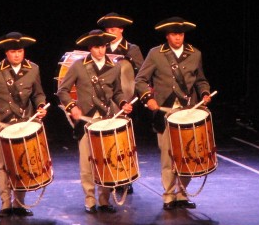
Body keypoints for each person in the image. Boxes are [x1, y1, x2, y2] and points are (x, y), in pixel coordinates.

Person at [134, 16, 213, 210]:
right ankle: (168, 196)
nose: (178, 38)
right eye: (174, 34)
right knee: (168, 156)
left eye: (181, 34)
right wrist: (147, 98)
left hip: (187, 112)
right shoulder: (155, 54)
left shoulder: (195, 53)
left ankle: (182, 194)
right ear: (167, 36)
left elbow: (201, 80)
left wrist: (205, 93)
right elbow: (140, 80)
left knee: (187, 155)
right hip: (165, 113)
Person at [56, 29, 133, 214]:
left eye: (103, 47)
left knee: (106, 162)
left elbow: (117, 92)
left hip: (107, 120)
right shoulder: (78, 66)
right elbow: (63, 91)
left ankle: (104, 200)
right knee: (87, 163)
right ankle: (90, 200)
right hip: (87, 121)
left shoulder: (114, 66)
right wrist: (71, 107)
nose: (100, 50)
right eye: (97, 47)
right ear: (90, 48)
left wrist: (123, 103)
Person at [0, 32, 48, 218]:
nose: (17, 55)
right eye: (13, 52)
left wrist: (41, 106)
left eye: (20, 51)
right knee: (3, 165)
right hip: (3, 124)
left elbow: (38, 94)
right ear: (6, 53)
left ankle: (19, 204)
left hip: (25, 122)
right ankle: (6, 203)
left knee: (22, 163)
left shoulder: (33, 68)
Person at [96, 12, 144, 196]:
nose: (110, 32)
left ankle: (126, 178)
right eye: (108, 30)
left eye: (113, 29)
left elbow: (141, 74)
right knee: (107, 140)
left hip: (126, 101)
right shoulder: (101, 48)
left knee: (124, 142)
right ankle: (109, 175)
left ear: (121, 30)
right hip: (105, 100)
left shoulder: (131, 49)